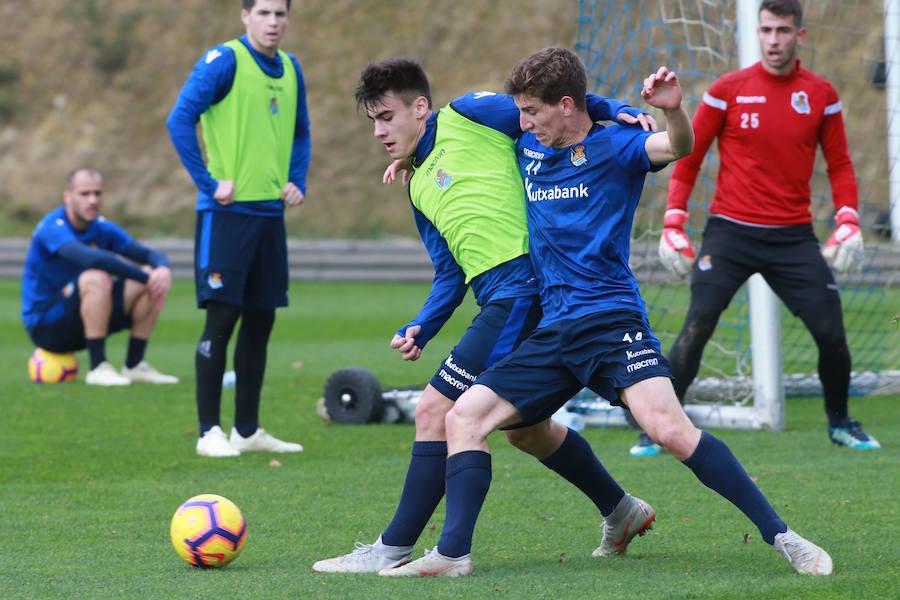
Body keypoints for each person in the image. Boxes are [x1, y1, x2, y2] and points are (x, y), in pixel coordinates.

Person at [379, 46, 833, 578]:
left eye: (532, 112)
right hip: (553, 328)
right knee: (468, 418)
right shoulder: (527, 145)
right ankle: (454, 556)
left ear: (566, 106)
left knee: (669, 430)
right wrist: (411, 155)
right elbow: (460, 157)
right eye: (520, 112)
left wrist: (671, 110)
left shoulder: (618, 145)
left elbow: (678, 146)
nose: (522, 123)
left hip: (610, 321)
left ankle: (785, 537)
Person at [312, 57, 658, 573]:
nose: (381, 131)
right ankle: (621, 508)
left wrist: (620, 109)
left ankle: (396, 547)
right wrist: (423, 326)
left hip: (526, 290)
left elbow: (551, 107)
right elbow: (450, 272)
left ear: (421, 107)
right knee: (526, 430)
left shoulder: (470, 115)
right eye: (374, 122)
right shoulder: (416, 185)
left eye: (388, 116)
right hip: (500, 298)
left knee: (436, 410)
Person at [634, 0, 880, 457]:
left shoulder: (822, 94)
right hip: (730, 234)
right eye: (766, 30)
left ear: (799, 36)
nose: (773, 40)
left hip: (793, 237)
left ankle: (841, 422)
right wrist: (674, 220)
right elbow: (689, 156)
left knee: (831, 333)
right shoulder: (727, 89)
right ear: (758, 33)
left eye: (783, 31)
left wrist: (848, 218)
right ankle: (658, 429)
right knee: (698, 323)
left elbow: (842, 164)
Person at [166, 0, 309, 457]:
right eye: (263, 13)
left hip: (270, 217)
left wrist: (296, 179)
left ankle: (246, 430)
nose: (273, 22)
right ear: (244, 15)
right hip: (226, 216)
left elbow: (300, 133)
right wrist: (208, 182)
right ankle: (210, 432)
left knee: (261, 321)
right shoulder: (223, 61)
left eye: (280, 14)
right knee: (222, 319)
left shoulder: (291, 68)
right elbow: (179, 120)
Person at [21, 168, 178, 386]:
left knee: (153, 276)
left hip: (87, 314)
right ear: (68, 196)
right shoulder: (51, 227)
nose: (93, 200)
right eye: (84, 194)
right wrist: (145, 277)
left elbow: (148, 254)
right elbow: (91, 259)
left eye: (98, 193)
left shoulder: (102, 227)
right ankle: (98, 367)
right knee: (96, 276)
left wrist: (163, 269)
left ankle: (134, 365)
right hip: (48, 325)